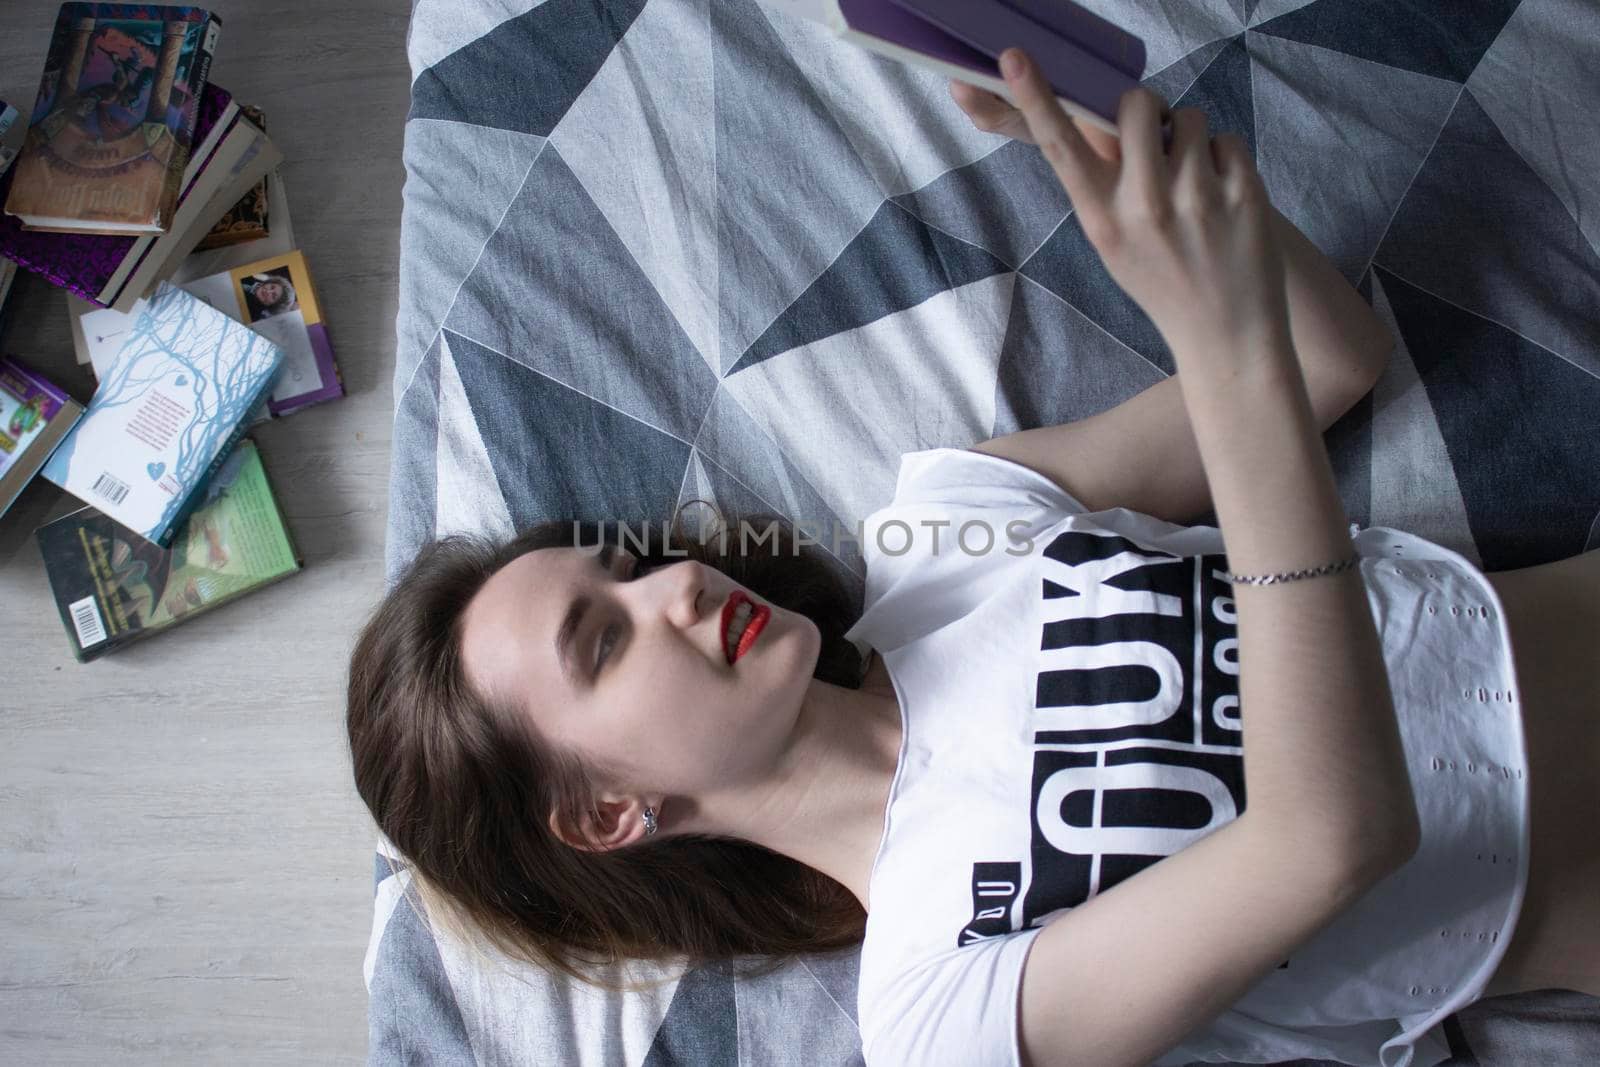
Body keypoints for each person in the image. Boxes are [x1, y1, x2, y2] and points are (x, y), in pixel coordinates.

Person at [346, 46, 1599, 1067]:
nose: (670, 583)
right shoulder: (938, 1005)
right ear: (609, 812)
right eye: (603, 639)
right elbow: (1329, 840)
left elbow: (1327, 357)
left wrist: (1152, 183)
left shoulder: (945, 527)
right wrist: (1227, 365)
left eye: (614, 571)